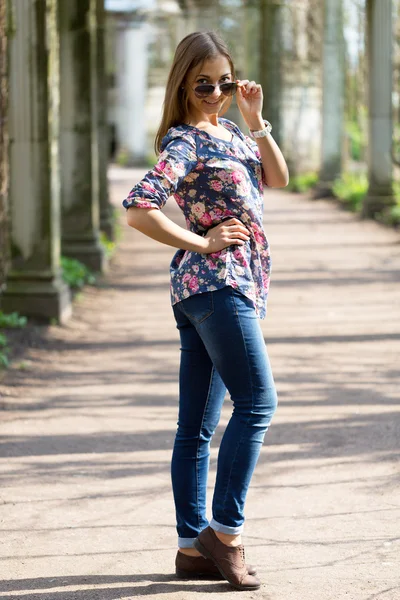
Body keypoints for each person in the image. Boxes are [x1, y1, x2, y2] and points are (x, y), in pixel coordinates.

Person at [123, 30, 289, 591]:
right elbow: (139, 207)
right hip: (216, 283)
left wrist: (255, 118)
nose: (215, 92)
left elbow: (278, 178)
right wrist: (203, 241)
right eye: (203, 83)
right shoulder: (186, 141)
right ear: (183, 83)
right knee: (259, 403)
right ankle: (226, 533)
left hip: (220, 288)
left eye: (224, 81)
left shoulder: (233, 131)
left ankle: (192, 548)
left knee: (195, 426)